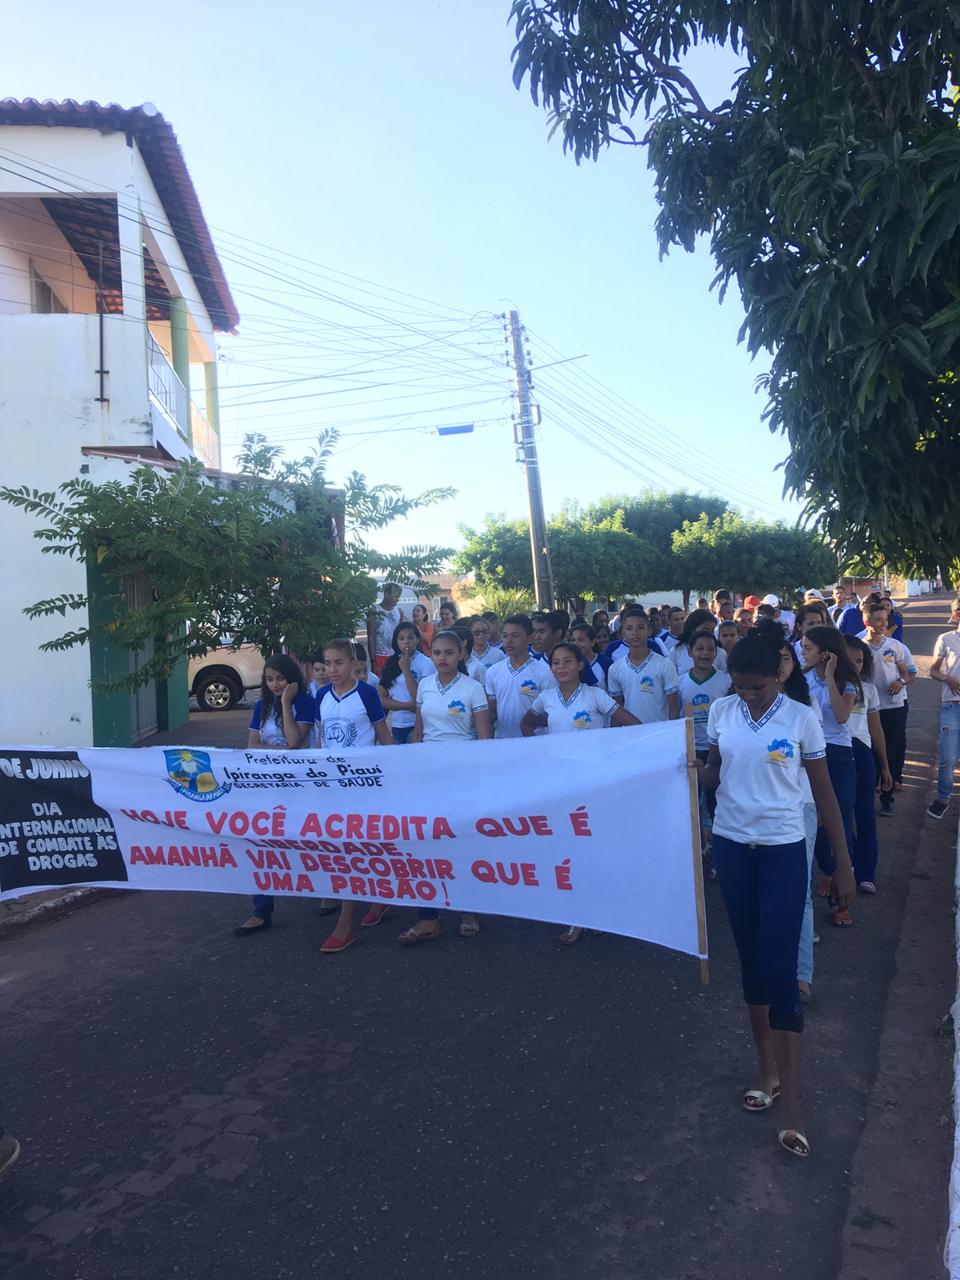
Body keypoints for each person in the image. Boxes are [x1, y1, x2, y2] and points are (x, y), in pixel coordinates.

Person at [693, 625, 854, 1160]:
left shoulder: (801, 719)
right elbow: (716, 776)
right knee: (753, 967)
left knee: (782, 969)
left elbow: (825, 794)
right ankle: (767, 1070)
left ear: (778, 676)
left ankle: (793, 1102)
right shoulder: (720, 714)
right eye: (739, 686)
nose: (747, 694)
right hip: (734, 847)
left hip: (784, 849)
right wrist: (693, 771)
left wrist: (844, 864)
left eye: (756, 686)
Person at [520, 641, 640, 944]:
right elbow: (527, 723)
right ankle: (579, 914)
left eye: (567, 662)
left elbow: (633, 725)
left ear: (580, 665)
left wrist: (611, 755)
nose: (561, 667)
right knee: (568, 849)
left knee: (596, 848)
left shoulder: (595, 696)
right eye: (556, 662)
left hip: (593, 785)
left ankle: (604, 910)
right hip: (559, 785)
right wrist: (537, 749)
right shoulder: (545, 698)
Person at [401, 630, 492, 943]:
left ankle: (468, 909)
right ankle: (428, 917)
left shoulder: (474, 688)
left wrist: (480, 779)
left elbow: (484, 740)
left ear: (461, 654)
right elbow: (418, 732)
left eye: (449, 652)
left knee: (462, 841)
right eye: (437, 652)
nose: (442, 658)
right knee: (427, 842)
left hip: (462, 775)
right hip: (428, 775)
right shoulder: (424, 686)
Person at [313, 638, 393, 953]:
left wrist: (401, 776)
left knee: (357, 848)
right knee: (347, 849)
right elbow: (321, 744)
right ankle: (377, 897)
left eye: (338, 663)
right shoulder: (320, 696)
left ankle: (345, 924)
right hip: (333, 789)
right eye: (328, 663)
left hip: (365, 787)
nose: (332, 669)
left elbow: (384, 736)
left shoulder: (367, 694)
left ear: (353, 665)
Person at [235, 656, 317, 937]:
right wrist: (280, 753)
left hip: (302, 786)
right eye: (269, 679)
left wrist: (285, 704)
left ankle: (330, 892)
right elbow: (251, 745)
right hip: (268, 784)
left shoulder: (304, 703)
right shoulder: (261, 706)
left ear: (292, 678)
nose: (274, 684)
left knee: (311, 841)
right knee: (263, 845)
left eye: (280, 679)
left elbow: (295, 741)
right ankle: (261, 911)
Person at [800, 625, 861, 927]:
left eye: (808, 647)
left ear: (825, 652)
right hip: (811, 754)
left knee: (840, 819)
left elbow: (840, 716)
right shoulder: (799, 678)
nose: (802, 650)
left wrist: (829, 677)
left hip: (838, 755)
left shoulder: (845, 680)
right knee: (817, 820)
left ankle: (840, 900)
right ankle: (828, 871)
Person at [844, 636, 893, 889]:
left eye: (860, 660)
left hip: (862, 754)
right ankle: (843, 866)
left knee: (864, 813)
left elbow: (876, 730)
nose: (855, 665)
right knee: (840, 815)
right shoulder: (826, 688)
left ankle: (866, 874)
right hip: (835, 753)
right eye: (849, 659)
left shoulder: (870, 690)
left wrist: (884, 766)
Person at [678, 631, 731, 866]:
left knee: (715, 802)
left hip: (717, 751)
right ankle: (696, 852)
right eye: (699, 648)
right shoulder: (680, 682)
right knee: (690, 805)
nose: (705, 653)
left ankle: (719, 854)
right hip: (690, 749)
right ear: (689, 652)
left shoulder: (726, 681)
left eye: (710, 649)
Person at [860, 601, 915, 815]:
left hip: (893, 706)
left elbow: (908, 674)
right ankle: (868, 790)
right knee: (870, 749)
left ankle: (887, 796)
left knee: (890, 749)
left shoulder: (895, 646)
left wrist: (900, 682)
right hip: (867, 708)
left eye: (885, 620)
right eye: (878, 620)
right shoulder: (858, 646)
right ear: (867, 621)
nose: (884, 624)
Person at [485, 614, 557, 739]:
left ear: (530, 638)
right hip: (503, 741)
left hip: (534, 742)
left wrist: (528, 723)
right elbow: (493, 711)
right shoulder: (493, 672)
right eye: (505, 635)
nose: (508, 640)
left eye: (515, 636)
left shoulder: (545, 673)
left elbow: (552, 713)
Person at [608, 608, 680, 723]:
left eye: (640, 627)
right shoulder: (615, 669)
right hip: (631, 736)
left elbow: (674, 710)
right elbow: (616, 710)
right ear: (622, 633)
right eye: (629, 628)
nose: (635, 633)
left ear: (649, 631)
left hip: (658, 735)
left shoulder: (665, 665)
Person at [928, 599, 960, 820]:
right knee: (948, 756)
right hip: (951, 705)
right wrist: (947, 678)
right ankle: (942, 798)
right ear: (956, 615)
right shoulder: (946, 639)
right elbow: (932, 671)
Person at [378, 622, 435, 744]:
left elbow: (421, 699)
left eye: (411, 637)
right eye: (401, 638)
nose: (406, 642)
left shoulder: (426, 663)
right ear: (396, 641)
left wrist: (406, 671)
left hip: (418, 724)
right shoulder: (391, 663)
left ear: (418, 639)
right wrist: (407, 706)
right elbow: (382, 699)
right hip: (397, 724)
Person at [671, 609, 730, 677]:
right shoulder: (676, 651)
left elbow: (724, 679)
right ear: (692, 629)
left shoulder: (720, 653)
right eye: (705, 630)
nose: (708, 634)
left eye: (712, 631)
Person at [367, 582, 406, 676]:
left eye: (398, 596)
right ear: (386, 594)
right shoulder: (374, 610)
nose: (397, 599)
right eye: (395, 596)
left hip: (395, 655)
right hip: (379, 656)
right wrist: (372, 660)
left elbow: (402, 635)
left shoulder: (399, 611)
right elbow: (370, 635)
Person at [569, 621, 608, 685]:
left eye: (581, 640)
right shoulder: (566, 664)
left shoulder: (606, 663)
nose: (576, 644)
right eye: (573, 640)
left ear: (592, 642)